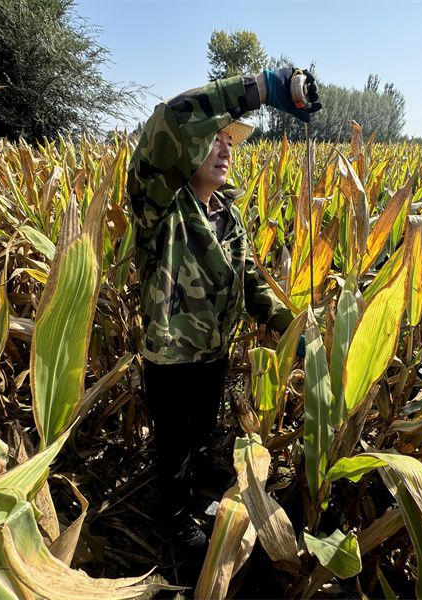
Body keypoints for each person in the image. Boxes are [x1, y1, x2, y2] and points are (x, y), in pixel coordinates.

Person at [127, 68, 321, 551]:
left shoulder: (227, 215)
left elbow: (250, 281)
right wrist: (264, 88)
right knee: (173, 448)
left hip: (213, 353)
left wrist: (294, 328)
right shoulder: (158, 205)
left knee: (201, 436)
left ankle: (196, 496)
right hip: (170, 359)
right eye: (213, 141)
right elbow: (169, 120)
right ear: (189, 152)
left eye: (230, 143)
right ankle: (174, 522)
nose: (225, 150)